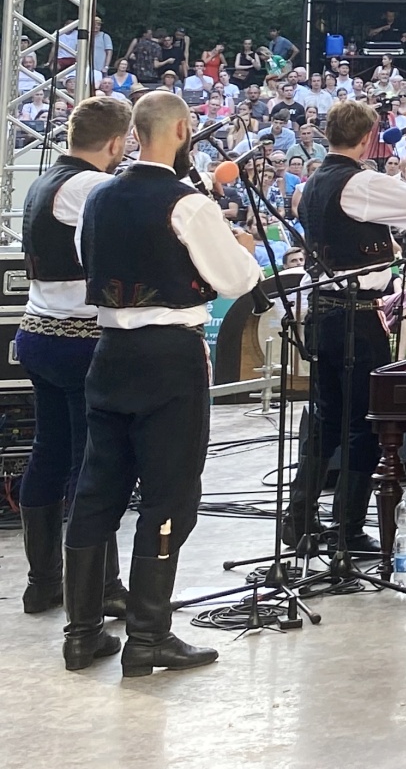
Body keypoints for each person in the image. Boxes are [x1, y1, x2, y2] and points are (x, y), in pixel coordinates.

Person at [62, 91, 262, 675]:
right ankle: (148, 637)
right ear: (180, 131)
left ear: (134, 134)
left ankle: (81, 635)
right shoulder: (188, 204)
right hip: (169, 357)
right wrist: (244, 250)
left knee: (97, 491)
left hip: (110, 351)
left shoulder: (98, 197)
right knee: (169, 495)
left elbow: (87, 260)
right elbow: (236, 279)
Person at [283, 99, 406, 552]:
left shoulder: (314, 183)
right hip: (355, 316)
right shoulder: (359, 183)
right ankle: (348, 528)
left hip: (323, 310)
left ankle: (299, 519)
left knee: (326, 418)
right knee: (363, 422)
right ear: (367, 139)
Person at [15, 96, 133, 619]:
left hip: (37, 332)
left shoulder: (44, 181)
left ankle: (42, 583)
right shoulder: (90, 186)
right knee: (95, 463)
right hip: (79, 339)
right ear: (116, 142)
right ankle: (101, 587)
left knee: (50, 452)